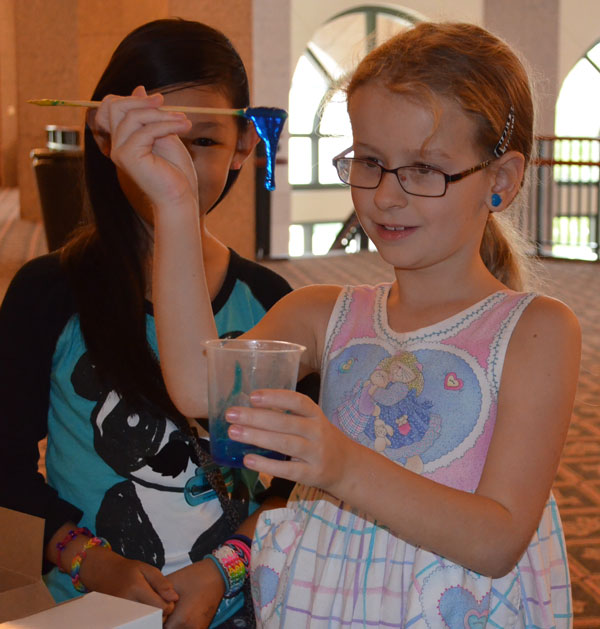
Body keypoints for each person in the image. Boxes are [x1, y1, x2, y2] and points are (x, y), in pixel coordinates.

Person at [97, 21, 581, 628]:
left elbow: (497, 540)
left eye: (426, 169)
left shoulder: (537, 330)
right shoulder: (325, 312)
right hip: (324, 602)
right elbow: (200, 387)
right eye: (371, 161)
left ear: (502, 181)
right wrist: (174, 201)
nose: (386, 196)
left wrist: (341, 466)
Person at [0, 18, 299, 629]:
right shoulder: (47, 294)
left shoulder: (274, 303)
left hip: (242, 610)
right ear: (107, 136)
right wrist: (90, 560)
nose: (174, 164)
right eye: (151, 135)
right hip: (82, 612)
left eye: (203, 141)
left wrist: (226, 569)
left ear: (246, 144)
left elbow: (298, 487)